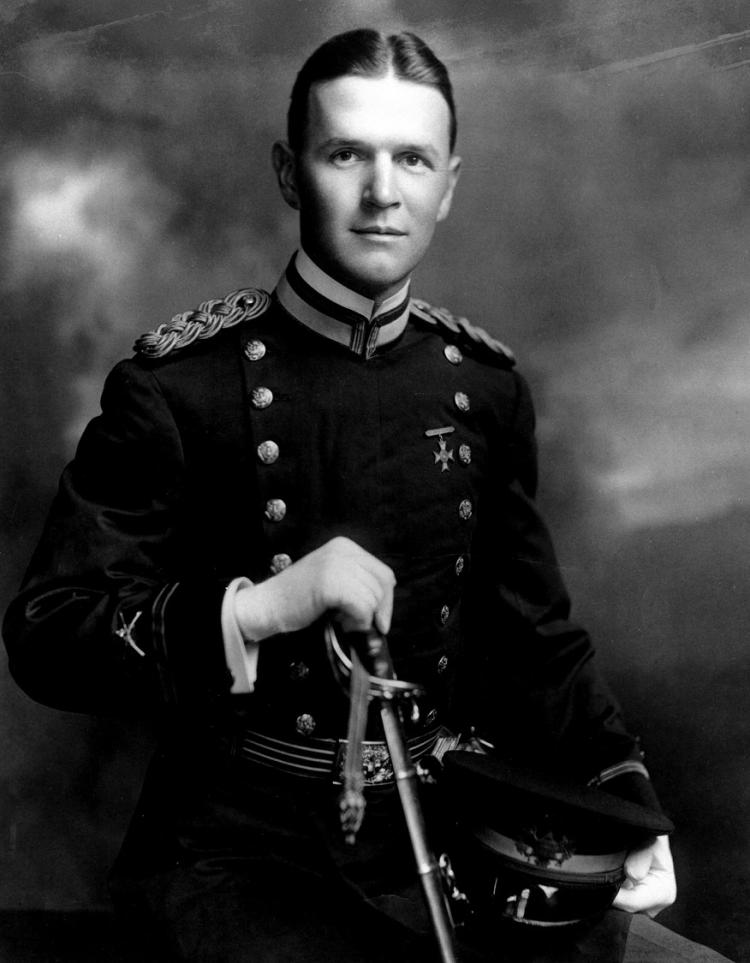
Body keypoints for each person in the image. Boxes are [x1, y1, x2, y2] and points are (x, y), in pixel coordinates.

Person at [2, 28, 730, 963]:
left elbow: (534, 640)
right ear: (289, 170)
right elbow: (48, 634)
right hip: (236, 856)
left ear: (450, 185)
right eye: (347, 153)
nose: (384, 193)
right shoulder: (177, 389)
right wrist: (257, 609)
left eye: (413, 159)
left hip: (438, 832)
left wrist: (627, 797)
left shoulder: (482, 386)